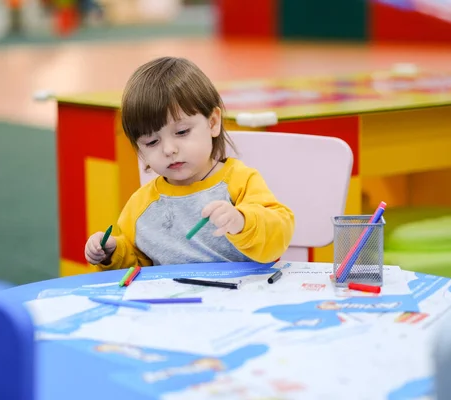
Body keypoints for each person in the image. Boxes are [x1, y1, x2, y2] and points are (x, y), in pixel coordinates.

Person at [84, 56, 294, 270]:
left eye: (182, 132)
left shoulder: (239, 181)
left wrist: (242, 221)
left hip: (241, 297)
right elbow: (138, 266)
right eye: (152, 142)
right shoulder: (140, 205)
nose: (169, 149)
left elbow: (279, 234)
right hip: (174, 302)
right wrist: (113, 254)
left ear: (213, 123)